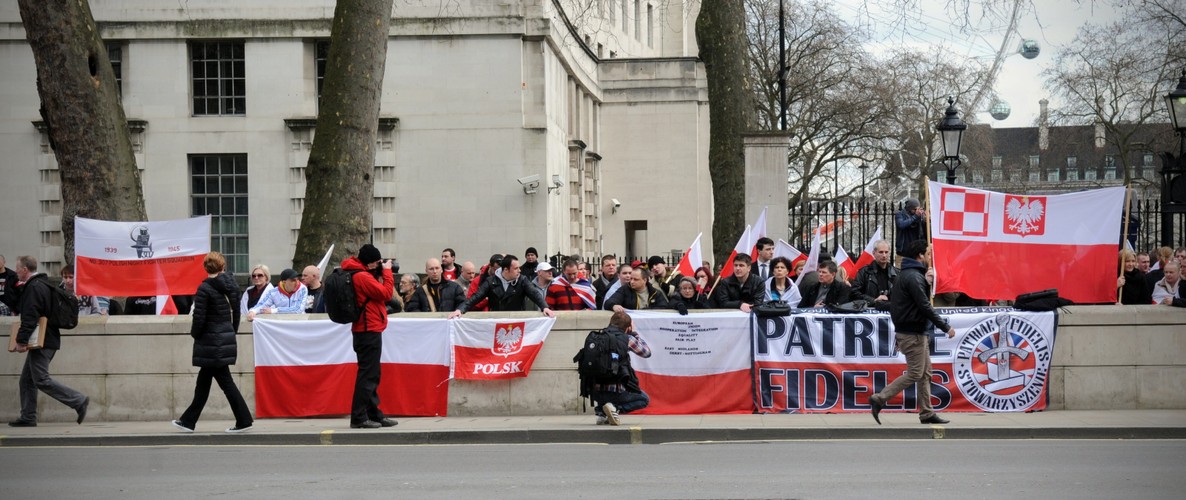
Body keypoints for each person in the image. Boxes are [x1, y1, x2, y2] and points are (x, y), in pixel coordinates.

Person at [869, 240, 955, 426]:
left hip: (915, 331)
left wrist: (926, 281)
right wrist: (945, 327)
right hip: (913, 333)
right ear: (920, 256)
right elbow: (924, 305)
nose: (932, 258)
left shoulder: (911, 275)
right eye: (929, 254)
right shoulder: (914, 277)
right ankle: (880, 398)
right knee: (916, 373)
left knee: (925, 373)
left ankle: (926, 413)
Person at [171, 251, 253, 433]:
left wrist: (195, 335)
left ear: (205, 268)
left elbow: (198, 319)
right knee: (204, 383)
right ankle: (188, 421)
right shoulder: (231, 286)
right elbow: (237, 313)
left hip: (210, 340)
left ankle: (243, 419)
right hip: (224, 337)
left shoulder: (204, 289)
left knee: (224, 382)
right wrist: (231, 331)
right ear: (223, 266)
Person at [8, 255, 90, 427]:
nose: (15, 272)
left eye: (17, 269)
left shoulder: (34, 287)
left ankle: (78, 400)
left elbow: (30, 317)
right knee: (27, 380)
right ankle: (28, 417)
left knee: (41, 379)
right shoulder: (42, 284)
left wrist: (21, 341)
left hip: (44, 340)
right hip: (47, 339)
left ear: (25, 270)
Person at [342, 244, 398, 429]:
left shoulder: (359, 273)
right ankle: (358, 417)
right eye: (376, 262)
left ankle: (374, 414)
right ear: (370, 262)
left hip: (367, 329)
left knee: (372, 374)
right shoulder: (361, 276)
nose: (379, 265)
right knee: (368, 375)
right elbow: (386, 293)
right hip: (368, 330)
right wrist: (388, 273)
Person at [588, 311, 652, 426]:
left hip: (594, 391)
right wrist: (635, 334)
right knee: (644, 400)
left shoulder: (597, 337)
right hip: (616, 390)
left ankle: (601, 413)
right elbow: (646, 352)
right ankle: (614, 409)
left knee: (603, 382)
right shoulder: (627, 338)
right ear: (627, 327)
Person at [450, 254, 555, 318]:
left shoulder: (522, 280)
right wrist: (460, 310)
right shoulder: (491, 281)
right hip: (496, 321)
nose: (519, 270)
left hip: (516, 321)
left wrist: (545, 307)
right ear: (506, 270)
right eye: (516, 268)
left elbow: (534, 294)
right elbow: (476, 297)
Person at [851, 240, 898, 310]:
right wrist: (873, 300)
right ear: (874, 253)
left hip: (892, 311)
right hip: (870, 311)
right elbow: (854, 293)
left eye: (886, 252)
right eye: (881, 252)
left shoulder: (896, 273)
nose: (884, 255)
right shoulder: (864, 272)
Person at [605, 267, 673, 312]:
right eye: (631, 279)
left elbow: (664, 308)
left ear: (645, 280)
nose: (632, 282)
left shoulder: (655, 292)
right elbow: (608, 302)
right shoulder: (624, 290)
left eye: (635, 279)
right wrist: (613, 305)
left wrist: (645, 310)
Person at [895, 199, 926, 267]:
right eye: (914, 209)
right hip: (903, 253)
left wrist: (924, 219)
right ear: (909, 208)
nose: (916, 211)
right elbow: (901, 225)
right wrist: (915, 217)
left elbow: (924, 232)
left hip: (916, 253)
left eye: (917, 209)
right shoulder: (900, 214)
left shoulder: (918, 216)